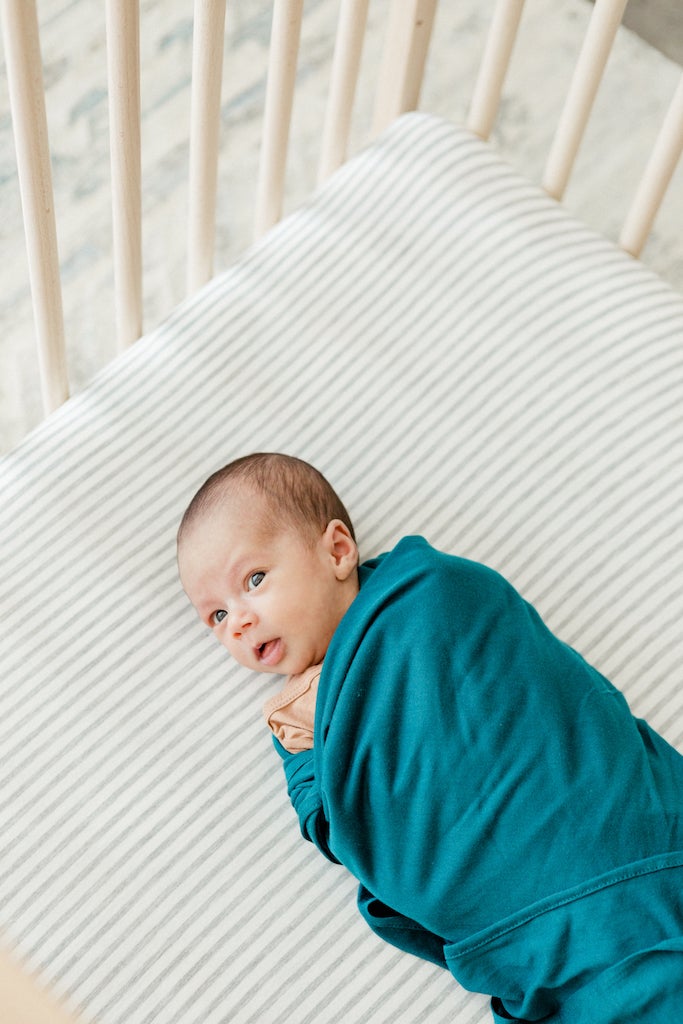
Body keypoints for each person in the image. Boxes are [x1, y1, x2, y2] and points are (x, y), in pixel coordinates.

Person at [177, 452, 683, 1024]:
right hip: (509, 927)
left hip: (597, 836)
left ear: (337, 551)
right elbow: (329, 825)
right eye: (216, 616)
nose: (239, 621)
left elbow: (518, 670)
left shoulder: (429, 592)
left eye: (255, 580)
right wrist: (312, 764)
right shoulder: (295, 722)